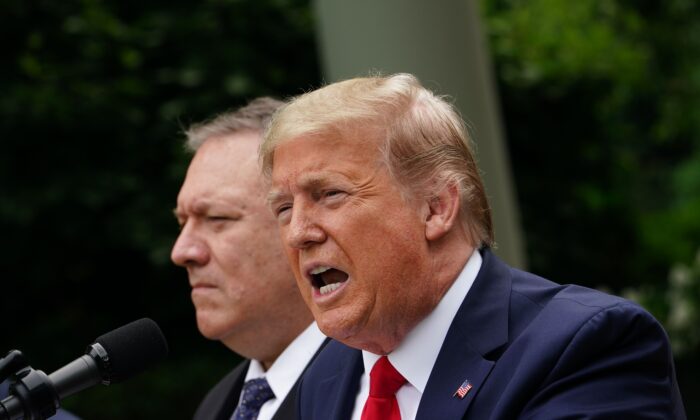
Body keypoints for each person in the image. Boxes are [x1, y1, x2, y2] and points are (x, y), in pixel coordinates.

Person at [260, 74, 686, 419]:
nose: (298, 232)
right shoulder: (325, 376)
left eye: (330, 194)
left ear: (436, 208)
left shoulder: (586, 347)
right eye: (283, 208)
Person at [171, 97, 327, 420]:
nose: (182, 252)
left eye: (216, 218)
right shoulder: (217, 405)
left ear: (300, 225)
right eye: (182, 222)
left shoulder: (374, 387)